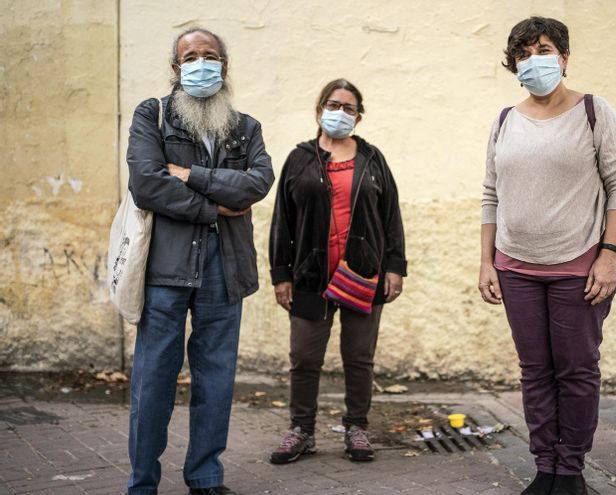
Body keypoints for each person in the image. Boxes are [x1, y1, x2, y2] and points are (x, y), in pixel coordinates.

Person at [480, 17, 616, 495]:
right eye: (523, 54)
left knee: (577, 370)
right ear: (514, 64)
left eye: (543, 50)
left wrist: (608, 254)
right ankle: (545, 464)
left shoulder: (594, 111)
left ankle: (570, 472)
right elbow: (491, 193)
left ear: (563, 58)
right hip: (515, 268)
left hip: (578, 266)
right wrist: (487, 261)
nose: (533, 60)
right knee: (535, 371)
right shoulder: (505, 119)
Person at [125, 28, 274, 495]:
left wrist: (190, 174)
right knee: (154, 381)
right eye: (191, 56)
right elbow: (146, 183)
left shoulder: (245, 126)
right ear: (176, 68)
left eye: (210, 56)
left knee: (216, 379)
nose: (201, 64)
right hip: (166, 270)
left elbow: (256, 183)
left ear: (224, 66)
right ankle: (143, 482)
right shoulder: (154, 115)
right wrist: (213, 206)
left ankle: (206, 477)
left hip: (225, 268)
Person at [268, 79, 407, 464]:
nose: (340, 112)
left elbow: (391, 214)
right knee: (304, 357)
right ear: (319, 109)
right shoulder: (299, 159)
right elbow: (283, 219)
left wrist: (395, 267)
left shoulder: (372, 158)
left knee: (359, 356)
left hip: (363, 274)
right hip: (311, 275)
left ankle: (357, 428)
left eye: (349, 107)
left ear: (358, 116)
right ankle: (302, 430)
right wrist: (282, 274)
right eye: (334, 104)